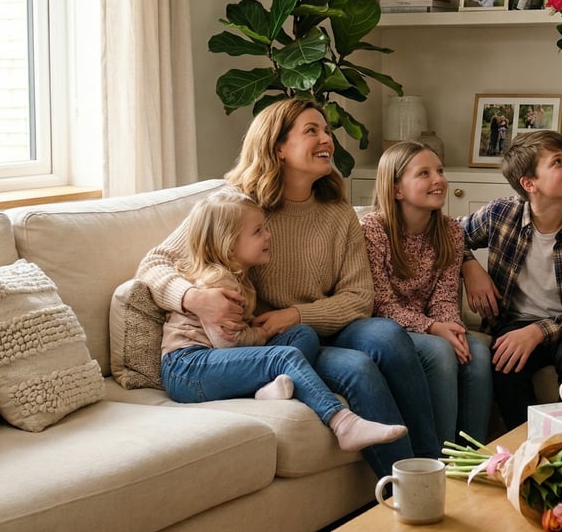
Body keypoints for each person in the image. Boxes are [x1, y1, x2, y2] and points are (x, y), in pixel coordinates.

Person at [136, 98, 438, 478]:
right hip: (270, 341)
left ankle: (434, 464)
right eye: (311, 130)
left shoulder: (337, 210)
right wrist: (194, 298)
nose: (326, 138)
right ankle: (405, 488)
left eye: (326, 130)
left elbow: (359, 299)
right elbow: (154, 263)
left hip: (310, 326)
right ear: (278, 147)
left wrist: (295, 314)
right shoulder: (237, 207)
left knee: (389, 336)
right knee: (358, 369)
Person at [158, 187, 409, 452]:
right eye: (258, 232)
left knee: (301, 333)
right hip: (187, 368)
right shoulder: (219, 282)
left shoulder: (239, 276)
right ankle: (342, 422)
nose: (268, 235)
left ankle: (268, 387)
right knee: (283, 356)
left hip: (208, 362)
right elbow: (228, 344)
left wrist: (267, 332)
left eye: (264, 228)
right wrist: (262, 335)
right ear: (229, 244)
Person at [460, 130, 562, 427]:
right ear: (529, 183)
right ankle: (527, 445)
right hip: (516, 323)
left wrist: (538, 331)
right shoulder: (500, 214)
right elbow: (447, 235)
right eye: (558, 162)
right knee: (504, 360)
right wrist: (469, 266)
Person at [361, 141, 493, 444]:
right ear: (396, 190)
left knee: (478, 353)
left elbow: (444, 296)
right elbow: (379, 302)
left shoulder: (450, 231)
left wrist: (453, 328)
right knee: (440, 353)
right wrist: (434, 329)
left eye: (440, 171)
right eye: (424, 173)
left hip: (431, 324)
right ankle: (439, 458)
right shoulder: (372, 230)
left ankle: (474, 457)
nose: (438, 180)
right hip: (388, 329)